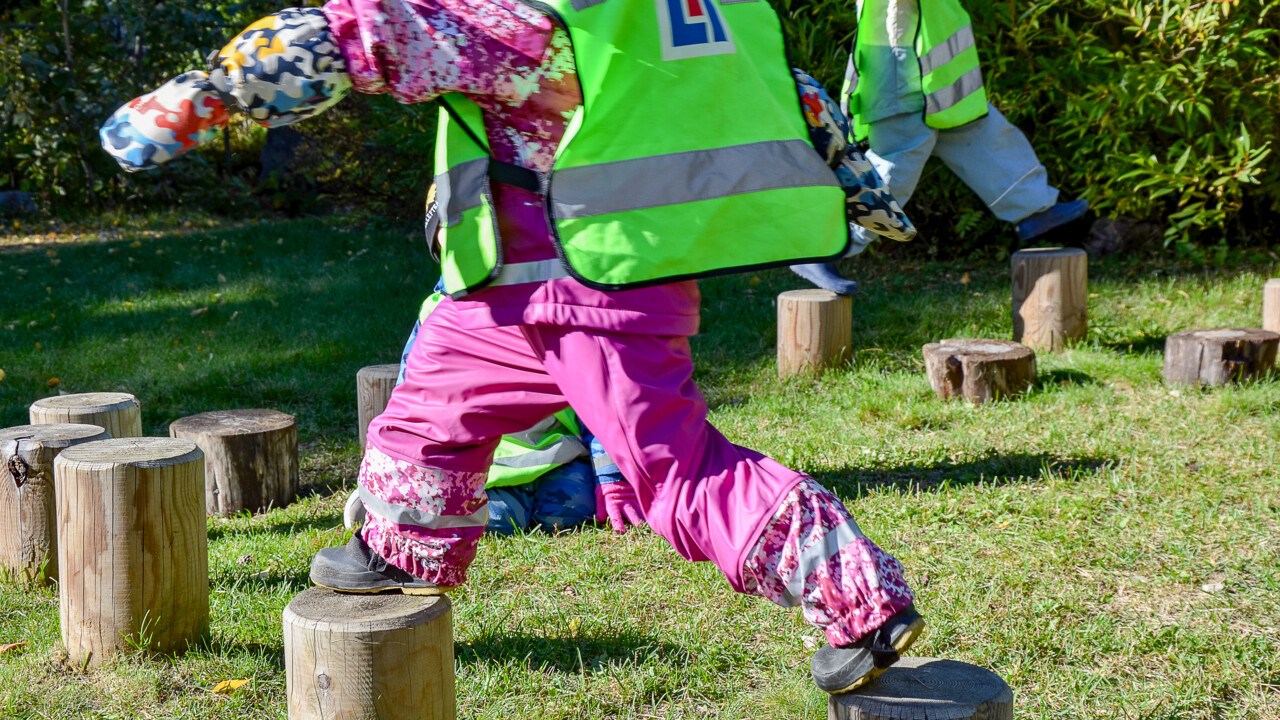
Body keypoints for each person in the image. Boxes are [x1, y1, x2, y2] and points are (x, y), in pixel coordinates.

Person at [100, 0, 921, 694]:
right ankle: (401, 545)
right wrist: (855, 182)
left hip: (593, 290)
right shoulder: (667, 15)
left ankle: (858, 600)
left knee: (673, 465)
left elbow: (372, 38)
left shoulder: (526, 22)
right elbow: (794, 99)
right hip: (509, 287)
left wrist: (209, 93)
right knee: (432, 409)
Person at [791, 0, 1089, 295]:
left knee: (978, 132)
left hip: (933, 69)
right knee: (898, 161)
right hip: (902, 67)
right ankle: (824, 244)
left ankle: (1033, 207)